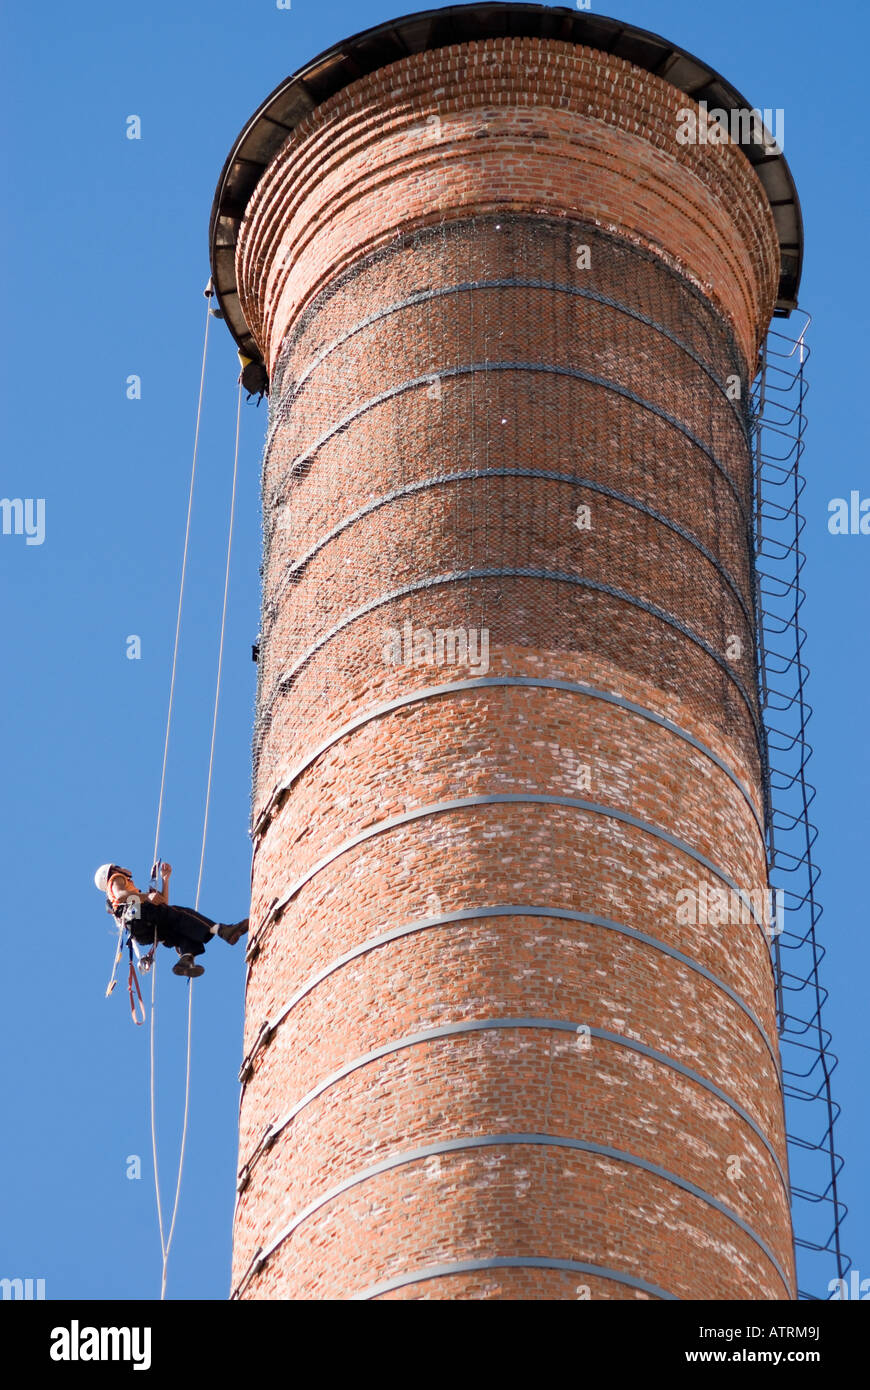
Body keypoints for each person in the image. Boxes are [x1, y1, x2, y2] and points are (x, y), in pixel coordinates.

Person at [94, 861, 248, 978]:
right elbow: (121, 895)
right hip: (138, 915)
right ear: (112, 871)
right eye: (118, 866)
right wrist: (146, 896)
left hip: (141, 930)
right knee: (182, 914)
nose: (122, 868)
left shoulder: (134, 893)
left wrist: (165, 880)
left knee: (180, 931)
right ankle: (223, 930)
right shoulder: (116, 878)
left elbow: (162, 903)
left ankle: (186, 960)